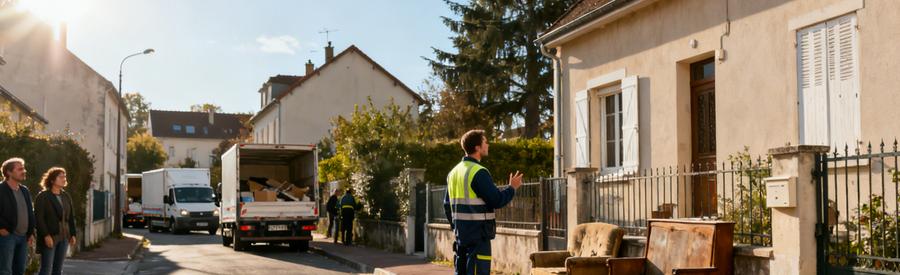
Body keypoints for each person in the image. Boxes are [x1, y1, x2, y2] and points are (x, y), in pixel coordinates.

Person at [443, 130, 522, 275]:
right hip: (478, 237)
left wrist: (456, 227)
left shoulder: (453, 173)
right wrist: (512, 188)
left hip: (461, 237)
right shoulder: (478, 172)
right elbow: (496, 200)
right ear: (478, 148)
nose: (488, 144)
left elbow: (447, 206)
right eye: (485, 141)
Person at [34, 167, 77, 275]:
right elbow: (39, 218)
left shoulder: (66, 196)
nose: (64, 179)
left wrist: (73, 234)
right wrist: (46, 235)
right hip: (50, 236)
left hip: (64, 236)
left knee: (58, 270)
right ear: (52, 180)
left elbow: (71, 217)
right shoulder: (43, 196)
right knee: (46, 269)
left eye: (65, 176)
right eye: (60, 177)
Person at [0, 158, 36, 275]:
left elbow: (30, 212)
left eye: (23, 168)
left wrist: (31, 233)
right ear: (9, 172)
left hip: (24, 237)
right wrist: (1, 228)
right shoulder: (1, 189)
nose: (24, 171)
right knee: (5, 271)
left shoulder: (24, 190)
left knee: (20, 270)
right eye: (20, 169)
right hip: (7, 236)